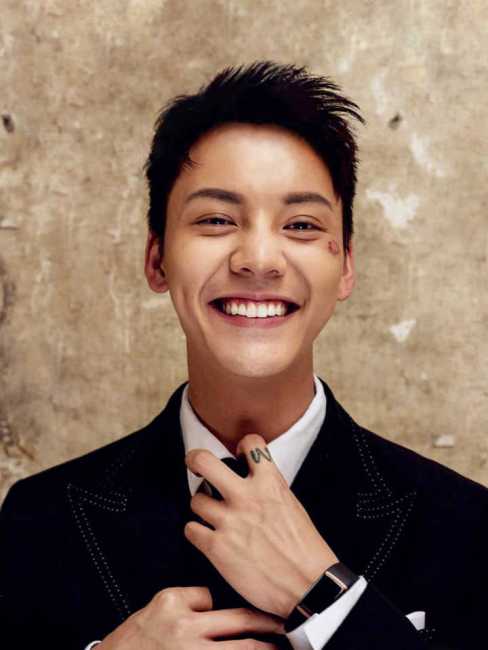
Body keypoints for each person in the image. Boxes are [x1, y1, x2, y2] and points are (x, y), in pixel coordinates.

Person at [1, 61, 486, 650]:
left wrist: (327, 596)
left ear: (345, 265)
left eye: (301, 225)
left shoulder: (465, 525)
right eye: (216, 220)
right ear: (157, 259)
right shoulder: (38, 521)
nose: (258, 259)